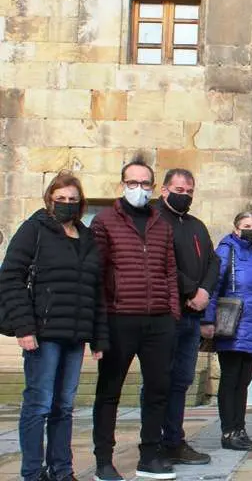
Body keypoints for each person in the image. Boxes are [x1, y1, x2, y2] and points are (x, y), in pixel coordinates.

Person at [0, 172, 108, 481]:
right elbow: (10, 278)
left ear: (81, 203)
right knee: (39, 404)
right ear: (50, 200)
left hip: (74, 337)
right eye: (61, 199)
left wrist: (99, 336)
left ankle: (61, 470)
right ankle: (33, 473)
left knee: (64, 406)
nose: (67, 204)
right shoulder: (34, 229)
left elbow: (95, 289)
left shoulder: (87, 238)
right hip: (42, 335)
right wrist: (24, 328)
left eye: (73, 200)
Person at [91, 154, 180, 481]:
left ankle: (149, 456)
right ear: (122, 184)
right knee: (109, 392)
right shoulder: (103, 221)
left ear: (153, 188)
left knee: (158, 388)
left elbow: (170, 271)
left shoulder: (161, 224)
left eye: (144, 184)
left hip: (159, 321)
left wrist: (172, 313)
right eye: (132, 183)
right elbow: (97, 275)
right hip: (119, 318)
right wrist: (100, 324)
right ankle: (104, 461)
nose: (138, 189)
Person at [155, 169, 218, 466]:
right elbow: (160, 262)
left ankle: (174, 441)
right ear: (165, 189)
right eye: (180, 189)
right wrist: (192, 289)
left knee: (181, 380)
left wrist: (204, 290)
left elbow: (213, 261)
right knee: (159, 381)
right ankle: (154, 442)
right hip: (166, 313)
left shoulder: (195, 225)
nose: (185, 195)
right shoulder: (154, 219)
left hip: (193, 315)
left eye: (190, 190)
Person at [202, 211, 252, 451]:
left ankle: (240, 429)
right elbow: (213, 287)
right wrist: (208, 319)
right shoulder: (227, 249)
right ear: (236, 228)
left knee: (244, 381)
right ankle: (228, 431)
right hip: (233, 325)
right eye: (246, 225)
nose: (251, 229)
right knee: (231, 380)